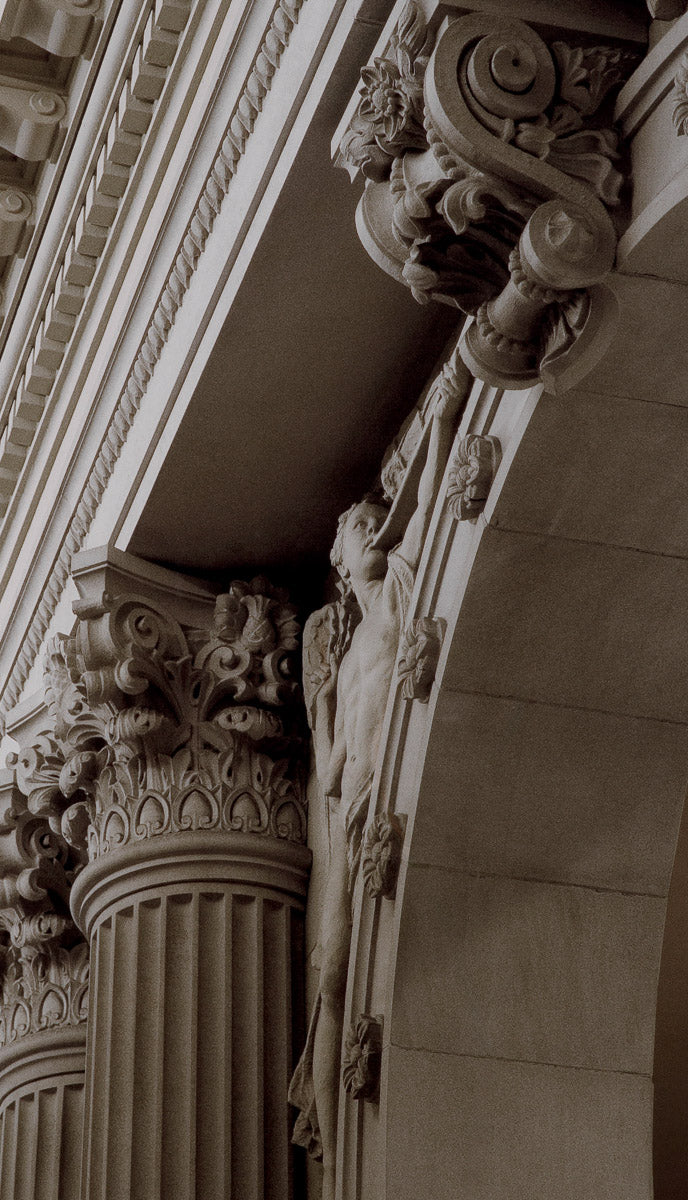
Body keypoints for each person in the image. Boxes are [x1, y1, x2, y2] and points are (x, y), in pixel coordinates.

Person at [290, 355, 467, 1195]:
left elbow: (429, 510)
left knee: (334, 974)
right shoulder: (353, 640)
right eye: (358, 530)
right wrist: (320, 715)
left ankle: (333, 1131)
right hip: (353, 797)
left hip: (380, 800)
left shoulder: (398, 592)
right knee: (328, 976)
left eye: (370, 524)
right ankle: (325, 1123)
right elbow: (325, 781)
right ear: (341, 557)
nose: (369, 533)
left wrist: (440, 421)